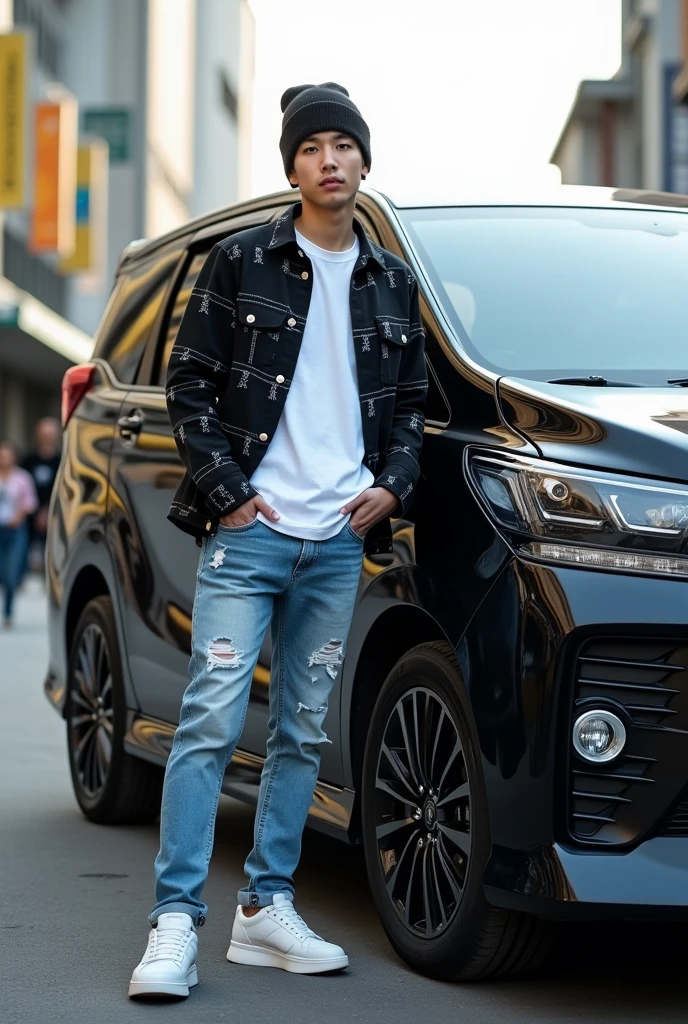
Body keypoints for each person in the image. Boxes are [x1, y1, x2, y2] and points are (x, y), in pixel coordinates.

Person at [129, 82, 428, 999]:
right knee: (211, 720)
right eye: (311, 148)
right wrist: (227, 495)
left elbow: (411, 406)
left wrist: (391, 487)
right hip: (253, 533)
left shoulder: (391, 280)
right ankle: (175, 922)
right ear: (291, 166)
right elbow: (190, 386)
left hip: (339, 540)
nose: (329, 161)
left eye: (343, 145)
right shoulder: (241, 261)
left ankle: (264, 910)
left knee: (301, 729)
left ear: (364, 162)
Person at [0, 440, 38, 628]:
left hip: (15, 529)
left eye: (7, 454)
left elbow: (30, 502)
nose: (4, 458)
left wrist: (18, 516)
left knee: (11, 571)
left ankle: (8, 611)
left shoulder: (22, 478)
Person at [21, 417, 61, 577]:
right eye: (44, 433)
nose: (47, 437)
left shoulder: (62, 460)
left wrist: (47, 510)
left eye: (50, 434)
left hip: (54, 514)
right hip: (29, 516)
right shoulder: (28, 460)